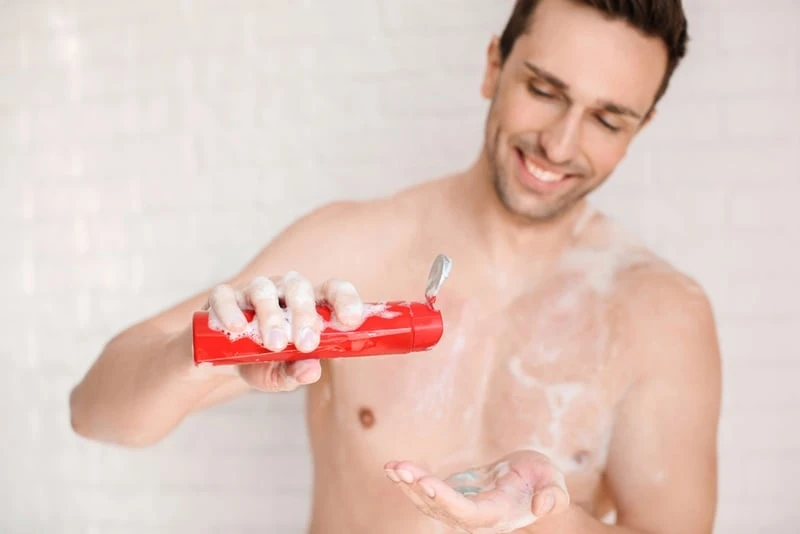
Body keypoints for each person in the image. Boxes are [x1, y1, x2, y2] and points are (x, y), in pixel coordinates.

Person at [69, 0, 722, 532]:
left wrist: (545, 522)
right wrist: (199, 351)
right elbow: (94, 410)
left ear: (641, 127)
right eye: (544, 90)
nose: (560, 142)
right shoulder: (352, 249)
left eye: (608, 120)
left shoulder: (662, 315)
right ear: (495, 65)